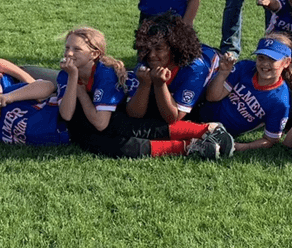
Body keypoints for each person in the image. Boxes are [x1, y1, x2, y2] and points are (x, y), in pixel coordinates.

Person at [50, 26, 226, 160]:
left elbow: (101, 123)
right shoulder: (67, 73)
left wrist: (81, 93)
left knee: (115, 126)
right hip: (126, 109)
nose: (68, 53)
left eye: (77, 49)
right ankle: (189, 147)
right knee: (86, 136)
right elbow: (67, 115)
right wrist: (73, 78)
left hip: (146, 102)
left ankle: (205, 130)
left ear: (94, 54)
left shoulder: (105, 73)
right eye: (67, 47)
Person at [194, 34, 292, 151]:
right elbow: (212, 97)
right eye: (261, 58)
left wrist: (241, 146)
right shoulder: (245, 67)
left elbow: (271, 139)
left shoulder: (280, 101)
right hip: (199, 109)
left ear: (286, 62)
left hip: (219, 132)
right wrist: (223, 73)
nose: (265, 64)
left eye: (272, 59)